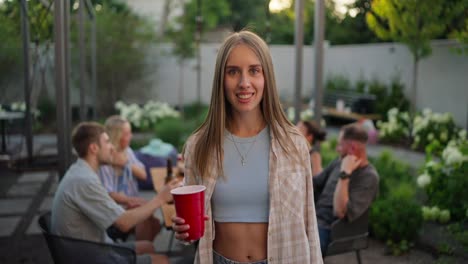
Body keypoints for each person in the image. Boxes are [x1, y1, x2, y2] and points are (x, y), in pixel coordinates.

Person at [172, 30, 323, 264]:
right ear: (221, 79)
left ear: (266, 77)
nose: (244, 83)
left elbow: (309, 223)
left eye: (254, 70)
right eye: (233, 72)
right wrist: (183, 231)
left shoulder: (293, 143)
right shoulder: (199, 145)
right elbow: (193, 225)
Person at [51, 122, 179, 264]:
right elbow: (124, 223)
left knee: (147, 246)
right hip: (89, 256)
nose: (111, 147)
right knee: (162, 261)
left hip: (94, 246)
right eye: (106, 142)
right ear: (93, 148)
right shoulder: (84, 181)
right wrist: (160, 198)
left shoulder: (81, 171)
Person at [313, 123, 379, 256]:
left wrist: (345, 174)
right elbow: (314, 182)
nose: (337, 149)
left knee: (300, 249)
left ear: (352, 148)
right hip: (311, 218)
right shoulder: (338, 162)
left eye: (340, 145)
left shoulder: (369, 177)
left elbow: (339, 211)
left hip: (331, 229)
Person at [99, 115, 161, 241]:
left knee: (156, 224)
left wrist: (125, 163)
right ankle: (143, 252)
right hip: (116, 210)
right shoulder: (105, 159)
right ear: (116, 136)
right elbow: (109, 194)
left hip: (128, 204)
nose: (131, 136)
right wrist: (132, 201)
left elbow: (143, 175)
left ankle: (143, 249)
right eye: (127, 133)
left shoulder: (127, 151)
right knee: (147, 218)